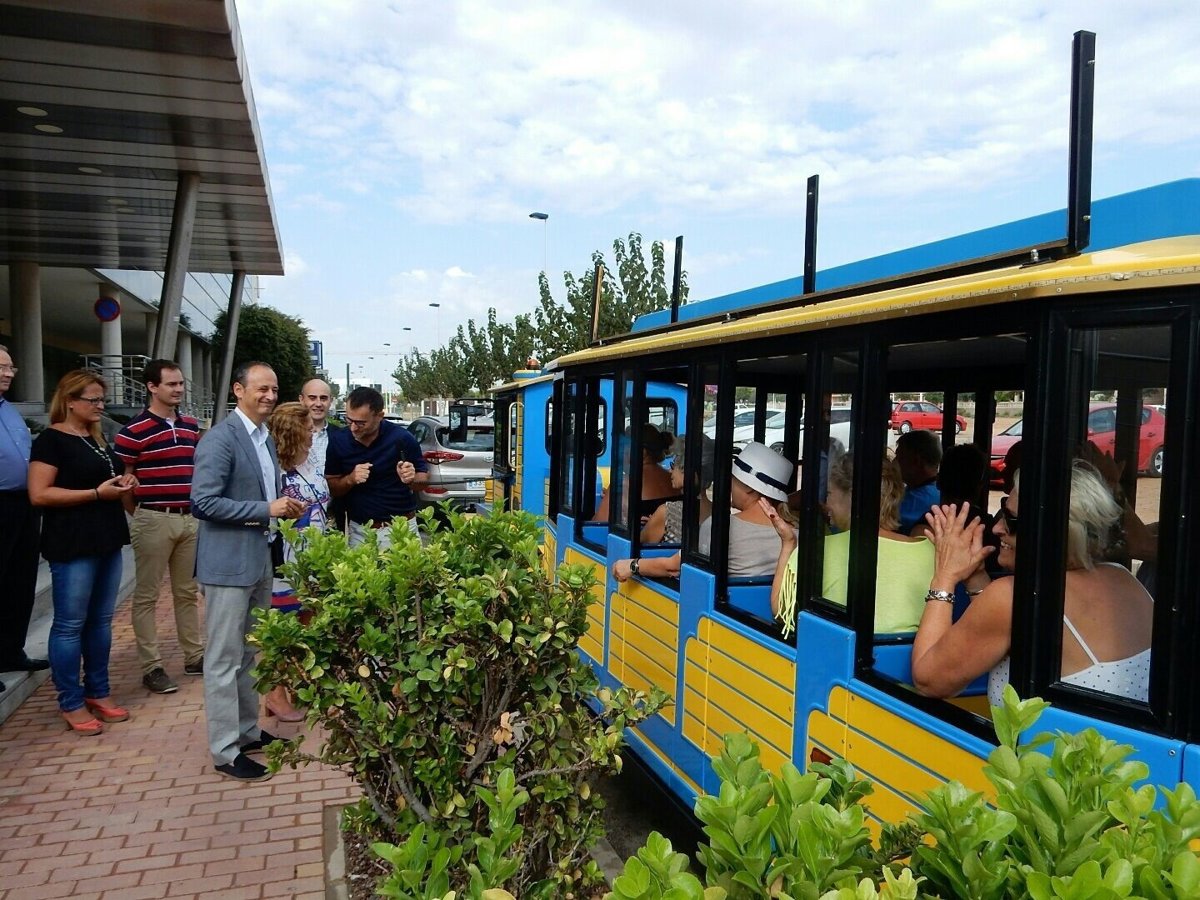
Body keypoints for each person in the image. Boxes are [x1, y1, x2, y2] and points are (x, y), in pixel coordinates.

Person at [910, 460, 1153, 705]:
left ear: (1049, 532)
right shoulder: (1121, 577)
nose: (997, 528)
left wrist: (945, 576)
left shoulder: (1010, 596)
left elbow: (929, 681)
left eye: (1011, 520)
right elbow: (1011, 629)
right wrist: (976, 578)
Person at [192, 361, 305, 781]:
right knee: (223, 659)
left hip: (257, 561)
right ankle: (225, 752)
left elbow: (261, 495)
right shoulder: (220, 439)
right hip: (226, 567)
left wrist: (281, 508)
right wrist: (266, 508)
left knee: (246, 655)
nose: (270, 396)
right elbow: (203, 502)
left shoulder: (264, 438)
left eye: (274, 389)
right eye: (261, 389)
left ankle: (245, 732)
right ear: (238, 390)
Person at [27, 370, 137, 735]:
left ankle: (98, 691)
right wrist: (94, 494)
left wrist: (124, 482)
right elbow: (39, 493)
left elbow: (105, 480)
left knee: (100, 621)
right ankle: (70, 701)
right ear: (70, 401)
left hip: (107, 538)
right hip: (72, 543)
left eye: (102, 399)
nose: (100, 406)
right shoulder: (51, 440)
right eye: (93, 400)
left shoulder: (96, 437)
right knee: (70, 624)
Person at [762, 452, 933, 638]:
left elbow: (781, 612)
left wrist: (788, 543)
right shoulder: (931, 552)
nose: (826, 503)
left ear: (852, 496)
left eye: (829, 494)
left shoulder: (817, 550)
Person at [113, 359, 205, 695]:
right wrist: (140, 514)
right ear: (152, 387)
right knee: (147, 596)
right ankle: (151, 666)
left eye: (180, 384)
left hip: (189, 518)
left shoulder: (191, 426)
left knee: (187, 592)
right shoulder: (132, 432)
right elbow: (125, 481)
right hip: (153, 517)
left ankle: (194, 656)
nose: (178, 389)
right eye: (171, 384)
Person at [614, 442, 792, 582]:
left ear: (749, 488)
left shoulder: (720, 527)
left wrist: (632, 566)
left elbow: (673, 567)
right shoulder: (793, 534)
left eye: (733, 479)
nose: (729, 485)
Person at [263, 402, 331, 722]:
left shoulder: (312, 459)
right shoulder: (273, 467)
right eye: (307, 428)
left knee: (308, 622)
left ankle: (300, 687)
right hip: (286, 557)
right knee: (283, 628)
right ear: (293, 432)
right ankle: (275, 694)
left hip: (313, 554)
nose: (313, 432)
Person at [325, 386, 428, 548]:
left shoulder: (402, 438)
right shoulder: (339, 440)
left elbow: (423, 481)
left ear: (380, 416)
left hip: (402, 528)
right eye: (349, 420)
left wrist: (411, 478)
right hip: (361, 531)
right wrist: (350, 479)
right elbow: (331, 488)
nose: (353, 428)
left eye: (361, 423)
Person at [0, 345, 48, 685]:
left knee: (19, 581)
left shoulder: (10, 410)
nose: (8, 373)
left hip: (23, 505)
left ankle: (10, 652)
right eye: (2, 367)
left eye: (11, 368)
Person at [592, 423, 679, 523]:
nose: (620, 453)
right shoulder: (674, 481)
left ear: (643, 452)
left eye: (624, 447)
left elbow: (597, 525)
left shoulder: (623, 486)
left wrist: (610, 498)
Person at [640, 435, 714, 544]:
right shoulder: (718, 511)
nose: (670, 471)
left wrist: (653, 523)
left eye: (673, 465)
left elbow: (638, 544)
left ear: (687, 470)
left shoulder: (668, 513)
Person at [894, 429, 942, 534]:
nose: (894, 462)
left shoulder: (916, 500)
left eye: (899, 457)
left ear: (916, 461)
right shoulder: (938, 490)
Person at [298, 377, 333, 478]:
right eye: (312, 398)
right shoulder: (287, 435)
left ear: (331, 401)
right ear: (301, 400)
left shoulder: (342, 437)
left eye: (323, 398)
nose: (318, 404)